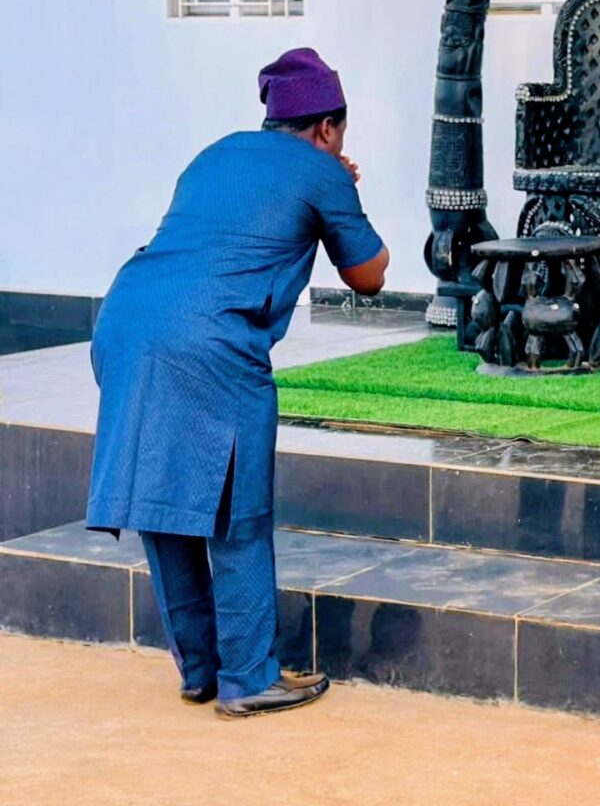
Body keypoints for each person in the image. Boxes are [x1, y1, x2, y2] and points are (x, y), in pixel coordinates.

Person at [86, 48, 388, 718]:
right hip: (212, 340)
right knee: (237, 508)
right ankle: (248, 678)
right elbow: (369, 276)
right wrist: (339, 191)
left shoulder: (214, 154)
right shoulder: (324, 171)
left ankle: (199, 671)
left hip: (127, 321)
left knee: (164, 499)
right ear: (328, 127)